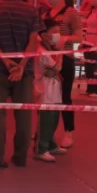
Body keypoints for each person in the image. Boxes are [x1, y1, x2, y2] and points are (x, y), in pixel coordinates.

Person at [0, 0, 44, 168]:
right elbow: (33, 41)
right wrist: (21, 65)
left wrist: (5, 60)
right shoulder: (31, 11)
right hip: (24, 72)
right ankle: (20, 156)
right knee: (24, 115)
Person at [41, 0, 83, 149]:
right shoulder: (46, 13)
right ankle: (45, 132)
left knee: (64, 96)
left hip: (65, 58)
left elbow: (79, 36)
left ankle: (68, 131)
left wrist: (64, 39)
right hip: (47, 58)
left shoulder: (71, 13)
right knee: (46, 96)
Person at [33, 19, 67, 162]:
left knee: (54, 118)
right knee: (46, 120)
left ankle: (51, 145)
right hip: (44, 89)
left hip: (54, 87)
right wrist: (61, 52)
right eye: (54, 32)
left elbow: (55, 70)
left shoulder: (51, 50)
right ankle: (41, 149)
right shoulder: (41, 51)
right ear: (44, 34)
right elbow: (57, 68)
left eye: (58, 31)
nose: (57, 35)